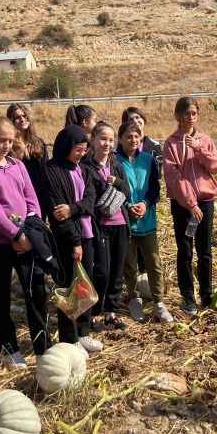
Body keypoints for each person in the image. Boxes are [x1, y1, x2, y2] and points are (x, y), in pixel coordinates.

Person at [0, 116, 52, 368]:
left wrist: (31, 226)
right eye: (1, 140)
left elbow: (31, 198)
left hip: (26, 238)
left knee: (36, 290)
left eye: (10, 140)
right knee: (0, 297)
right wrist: (14, 234)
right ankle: (9, 349)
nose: (6, 145)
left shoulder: (17, 165)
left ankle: (43, 345)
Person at [43, 125, 104, 352]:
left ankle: (84, 331)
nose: (81, 154)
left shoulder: (84, 169)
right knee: (70, 285)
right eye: (77, 150)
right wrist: (75, 241)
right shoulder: (52, 171)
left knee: (85, 285)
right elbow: (57, 212)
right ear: (66, 147)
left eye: (83, 150)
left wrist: (73, 208)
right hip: (67, 238)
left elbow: (91, 199)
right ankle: (69, 338)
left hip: (88, 233)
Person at [163, 97, 217, 315]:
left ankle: (206, 295)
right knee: (185, 252)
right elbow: (173, 177)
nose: (190, 117)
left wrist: (199, 150)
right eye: (186, 113)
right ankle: (188, 297)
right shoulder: (171, 144)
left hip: (205, 203)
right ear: (178, 116)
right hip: (183, 205)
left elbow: (215, 167)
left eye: (194, 113)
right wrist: (190, 203)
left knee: (205, 251)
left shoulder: (205, 140)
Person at [116, 120, 173, 323]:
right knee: (129, 264)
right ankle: (133, 298)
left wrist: (145, 203)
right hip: (124, 221)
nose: (133, 140)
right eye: (128, 136)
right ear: (120, 139)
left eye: (136, 136)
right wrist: (128, 206)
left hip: (147, 220)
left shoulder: (149, 159)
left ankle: (158, 302)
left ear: (141, 139)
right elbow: (113, 191)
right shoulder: (114, 161)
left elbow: (154, 190)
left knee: (153, 262)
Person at [84, 121, 130, 330]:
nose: (107, 144)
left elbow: (127, 192)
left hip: (119, 222)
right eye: (103, 139)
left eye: (111, 140)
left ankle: (110, 312)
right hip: (100, 225)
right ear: (93, 140)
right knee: (101, 270)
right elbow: (86, 197)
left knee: (116, 271)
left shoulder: (116, 164)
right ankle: (93, 313)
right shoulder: (85, 167)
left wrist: (118, 183)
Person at [8, 104, 49, 213]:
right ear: (10, 121)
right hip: (18, 196)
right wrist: (20, 153)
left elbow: (46, 171)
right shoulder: (8, 145)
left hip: (39, 196)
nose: (22, 119)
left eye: (25, 116)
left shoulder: (38, 143)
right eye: (17, 117)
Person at [121, 106, 163, 172]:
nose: (135, 121)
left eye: (137, 117)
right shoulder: (119, 148)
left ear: (143, 119)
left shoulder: (155, 146)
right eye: (131, 119)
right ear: (125, 124)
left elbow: (158, 173)